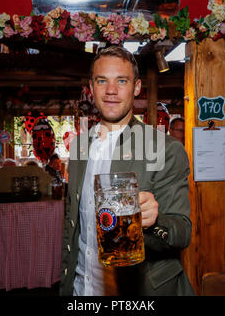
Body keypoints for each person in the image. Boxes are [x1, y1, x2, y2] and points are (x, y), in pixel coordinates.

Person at [60, 46, 194, 296]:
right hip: (83, 289)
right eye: (102, 81)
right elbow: (74, 229)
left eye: (121, 81)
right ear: (91, 87)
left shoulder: (166, 149)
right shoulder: (79, 147)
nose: (111, 91)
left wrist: (154, 222)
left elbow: (182, 232)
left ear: (136, 87)